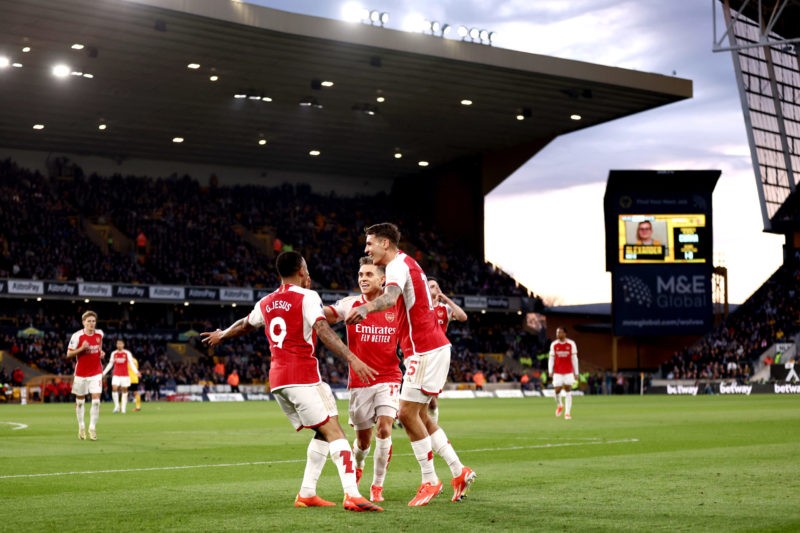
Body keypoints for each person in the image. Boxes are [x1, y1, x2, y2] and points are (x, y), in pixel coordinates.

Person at [200, 251, 383, 512]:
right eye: (307, 269)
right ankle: (352, 494)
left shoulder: (266, 301)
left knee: (323, 430)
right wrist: (352, 359)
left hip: (278, 380)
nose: (309, 274)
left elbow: (245, 324)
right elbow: (322, 330)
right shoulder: (308, 297)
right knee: (336, 432)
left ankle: (307, 493)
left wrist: (223, 334)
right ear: (300, 270)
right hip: (302, 376)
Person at [345, 223, 476, 506]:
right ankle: (459, 470)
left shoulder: (396, 266)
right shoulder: (407, 263)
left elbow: (390, 297)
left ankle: (429, 479)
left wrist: (365, 308)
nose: (367, 249)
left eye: (370, 244)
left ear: (384, 243)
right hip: (432, 347)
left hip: (424, 350)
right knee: (422, 417)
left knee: (405, 414)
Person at [324, 256, 403, 503]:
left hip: (389, 376)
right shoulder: (350, 304)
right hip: (360, 382)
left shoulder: (395, 306)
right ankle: (358, 466)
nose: (363, 279)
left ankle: (377, 486)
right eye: (360, 275)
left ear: (383, 280)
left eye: (369, 274)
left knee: (385, 427)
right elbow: (327, 314)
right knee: (362, 441)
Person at [426, 278, 467, 424]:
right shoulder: (421, 308)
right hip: (422, 354)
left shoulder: (445, 309)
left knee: (432, 400)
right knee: (420, 397)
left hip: (438, 355)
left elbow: (463, 317)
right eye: (431, 286)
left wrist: (447, 299)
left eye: (437, 286)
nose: (435, 289)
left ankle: (432, 426)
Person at [66, 310, 105, 441]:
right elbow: (69, 354)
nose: (91, 324)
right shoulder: (77, 336)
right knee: (80, 403)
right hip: (81, 374)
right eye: (89, 321)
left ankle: (92, 428)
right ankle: (81, 426)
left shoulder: (100, 334)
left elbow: (99, 348)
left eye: (93, 321)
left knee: (96, 401)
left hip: (96, 373)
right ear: (83, 322)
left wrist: (101, 353)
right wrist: (81, 348)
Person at [548, 327, 579, 420]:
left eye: (560, 332)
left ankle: (567, 413)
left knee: (568, 389)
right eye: (557, 332)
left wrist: (576, 372)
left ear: (565, 334)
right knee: (557, 390)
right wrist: (550, 370)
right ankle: (560, 405)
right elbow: (551, 359)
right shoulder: (554, 344)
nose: (558, 334)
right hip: (557, 372)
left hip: (568, 371)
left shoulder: (571, 344)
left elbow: (574, 359)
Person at [102, 339, 139, 414]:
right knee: (114, 388)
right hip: (116, 374)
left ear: (123, 345)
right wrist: (104, 373)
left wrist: (136, 372)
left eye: (120, 344)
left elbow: (131, 363)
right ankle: (116, 406)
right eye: (118, 344)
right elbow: (110, 364)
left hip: (125, 375)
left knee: (124, 390)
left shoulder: (127, 353)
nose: (119, 345)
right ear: (116, 345)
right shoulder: (114, 353)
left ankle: (123, 408)